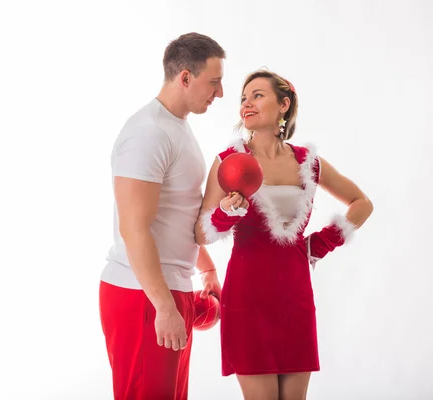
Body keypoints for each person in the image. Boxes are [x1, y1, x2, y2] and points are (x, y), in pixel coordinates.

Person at [195, 69, 374, 400]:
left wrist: (320, 243)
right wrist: (226, 212)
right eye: (243, 98)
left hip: (295, 295)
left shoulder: (308, 162)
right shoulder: (229, 162)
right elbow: (202, 233)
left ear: (284, 104)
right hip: (247, 296)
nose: (247, 103)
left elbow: (362, 203)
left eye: (257, 95)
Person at [98, 32, 226, 400]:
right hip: (142, 296)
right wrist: (164, 307)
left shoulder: (177, 127)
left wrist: (207, 269)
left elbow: (178, 214)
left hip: (166, 290)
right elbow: (134, 229)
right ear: (185, 77)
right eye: (214, 82)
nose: (219, 93)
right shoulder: (148, 132)